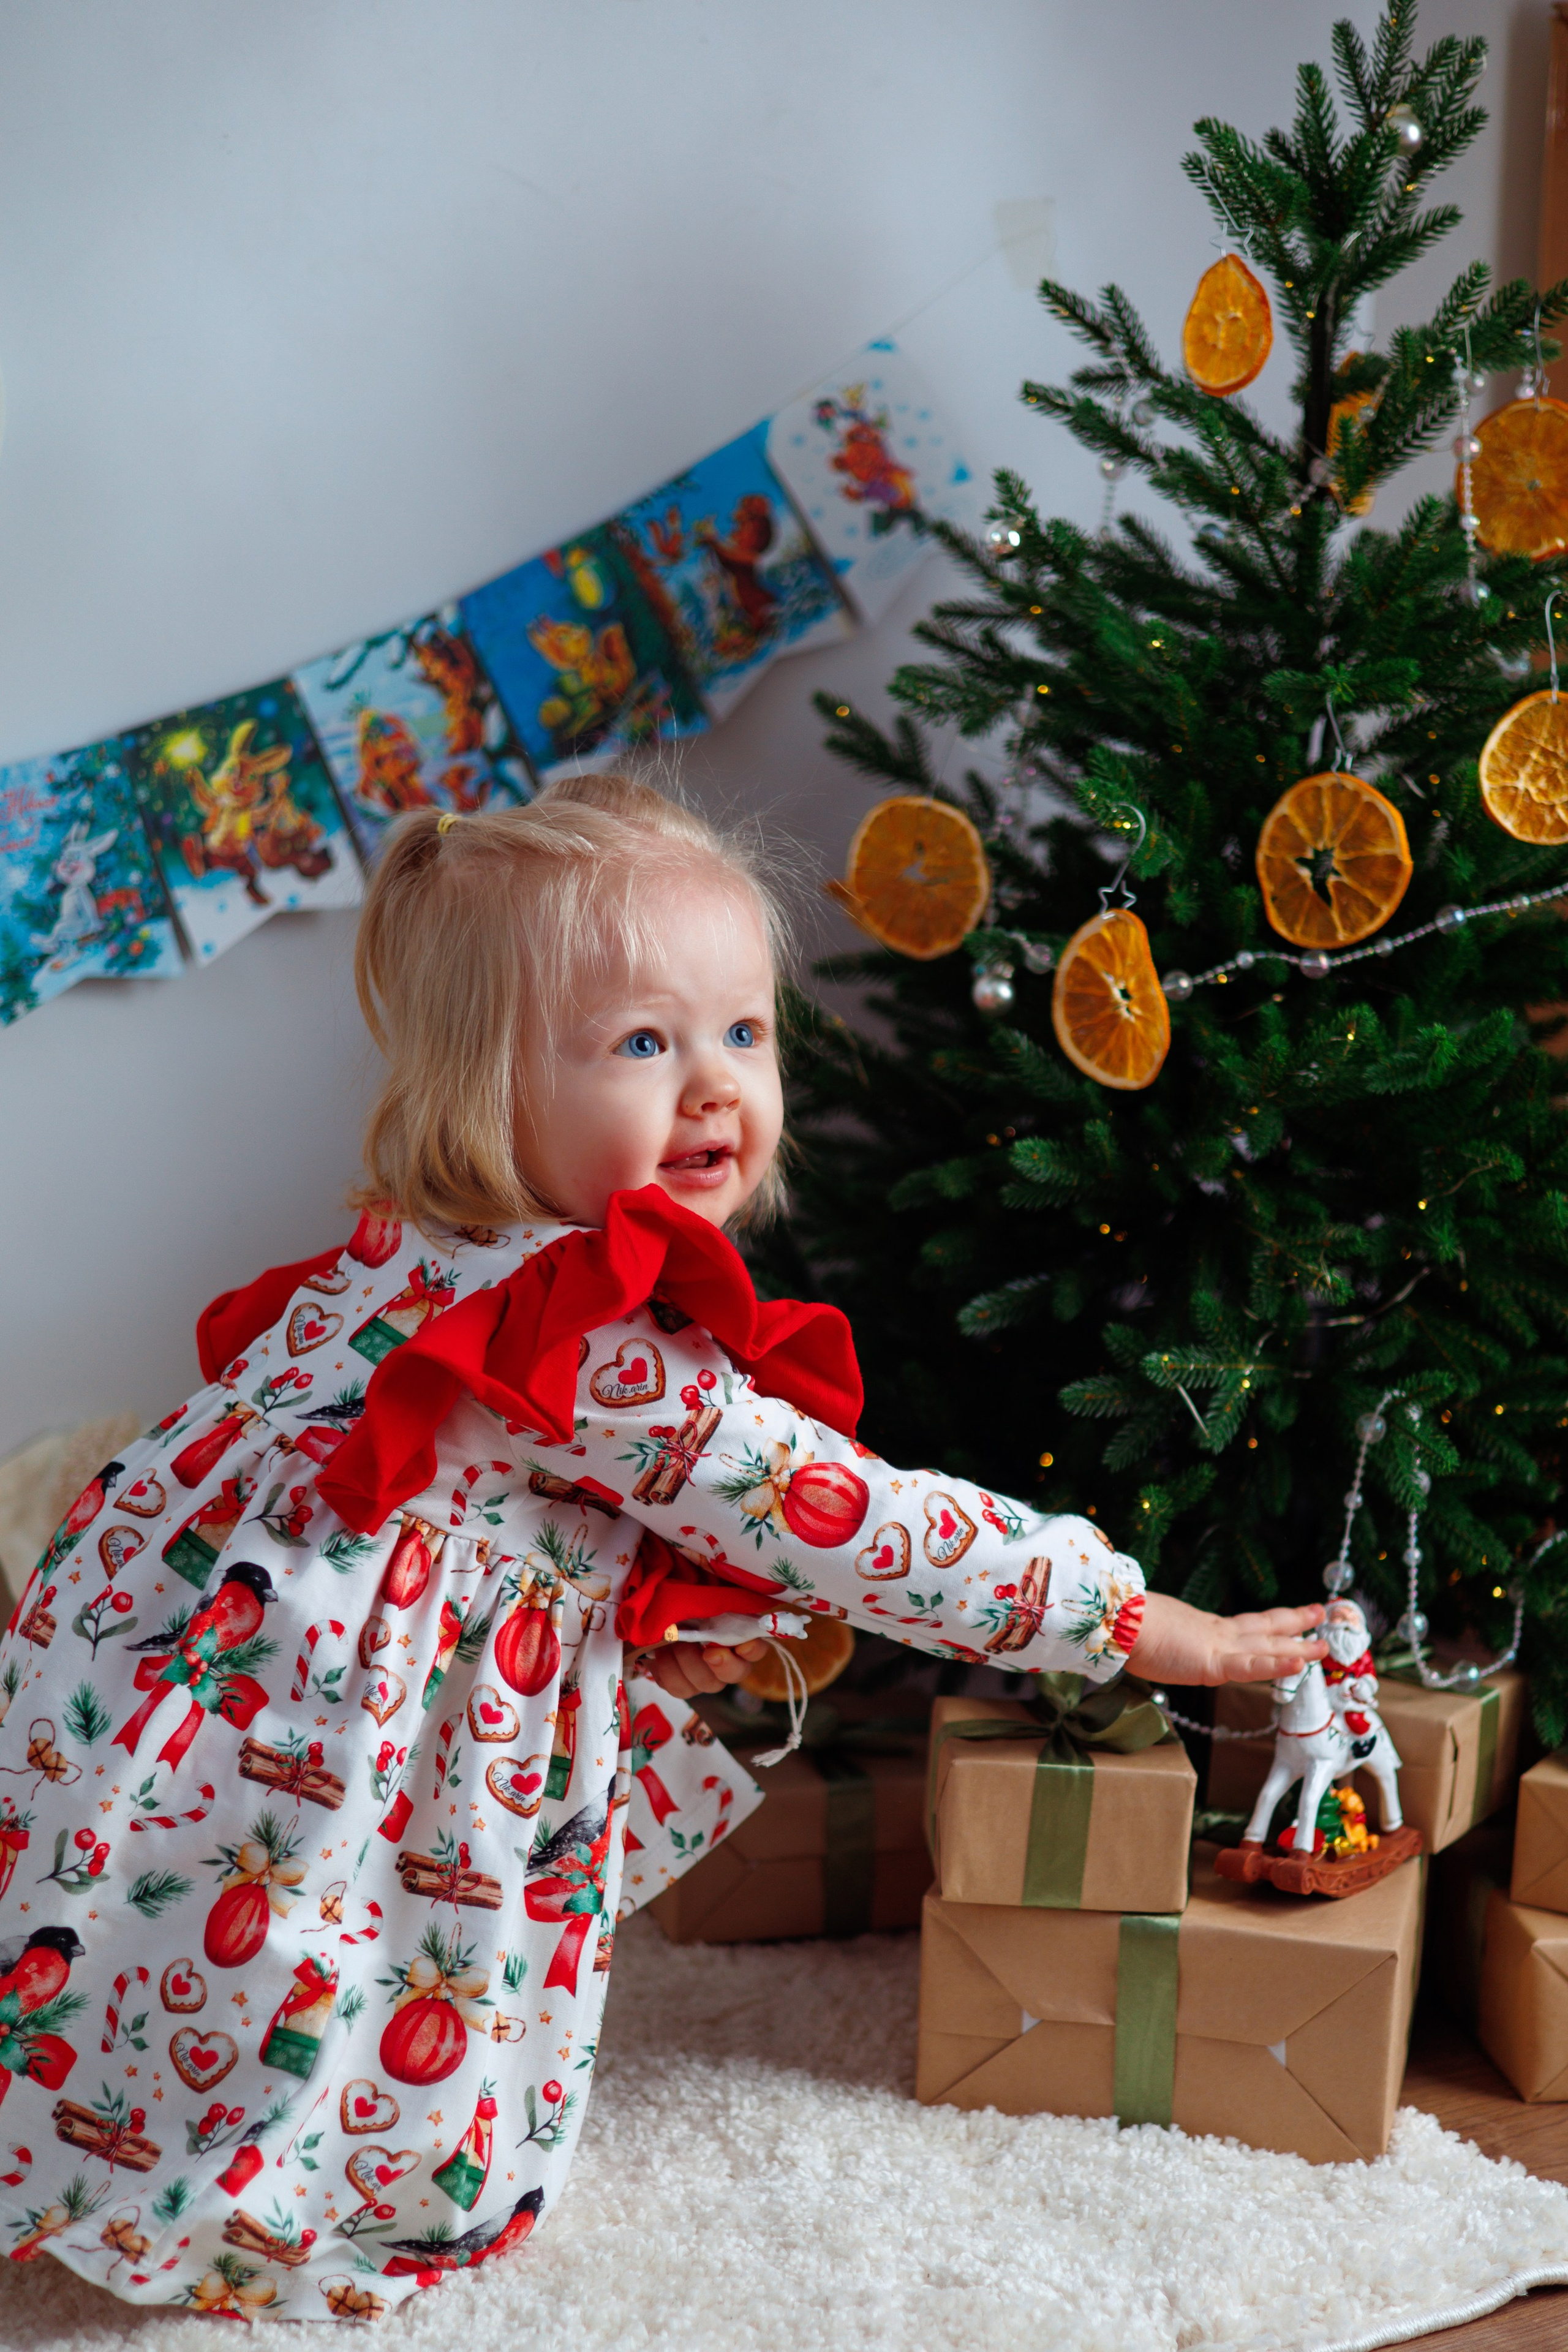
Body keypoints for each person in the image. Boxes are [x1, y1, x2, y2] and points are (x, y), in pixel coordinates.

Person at [0, 775, 1326, 2323]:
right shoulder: (589, 1344)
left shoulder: (418, 1258)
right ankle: (340, 2189)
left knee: (182, 1915)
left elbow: (483, 1508)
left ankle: (139, 2113)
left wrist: (617, 1611)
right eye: (643, 1043)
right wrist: (1137, 1619)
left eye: (742, 1034)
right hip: (328, 1715)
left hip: (194, 1660)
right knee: (366, 1943)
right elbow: (867, 1527)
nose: (713, 1089)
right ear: (481, 1086)